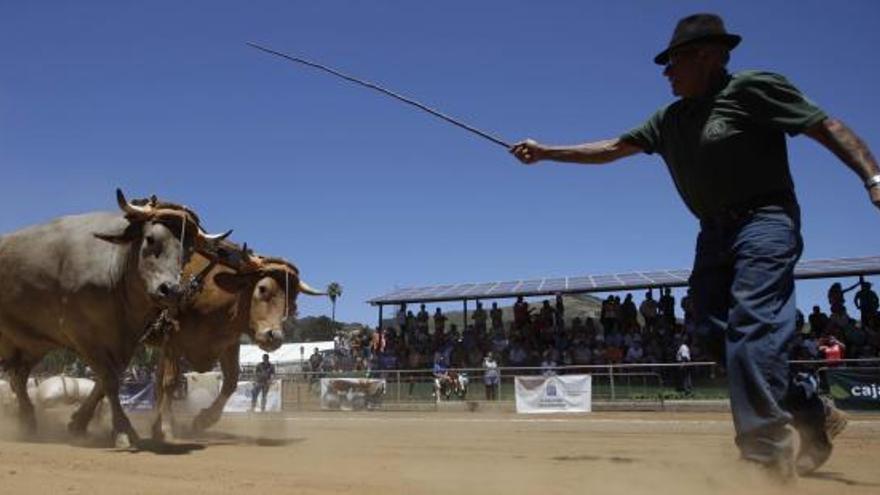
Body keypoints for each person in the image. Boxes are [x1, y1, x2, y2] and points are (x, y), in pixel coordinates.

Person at [511, 13, 877, 479]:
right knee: (708, 328)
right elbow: (611, 148)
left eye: (673, 61)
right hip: (713, 233)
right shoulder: (671, 119)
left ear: (708, 55)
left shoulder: (752, 89)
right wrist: (546, 153)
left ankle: (764, 454)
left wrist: (873, 176)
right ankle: (810, 410)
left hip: (766, 220)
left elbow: (827, 126)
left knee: (751, 330)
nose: (666, 72)